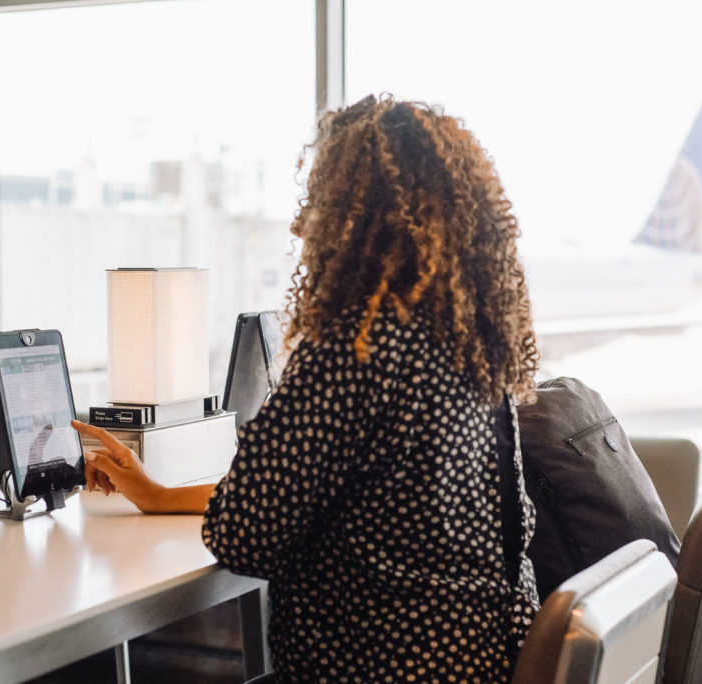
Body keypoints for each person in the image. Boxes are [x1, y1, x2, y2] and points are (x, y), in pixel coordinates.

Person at [73, 93, 542, 683]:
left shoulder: (354, 350)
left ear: (353, 216)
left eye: (323, 200)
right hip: (481, 658)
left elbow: (243, 536)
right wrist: (162, 494)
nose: (308, 219)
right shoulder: (470, 349)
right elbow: (317, 504)